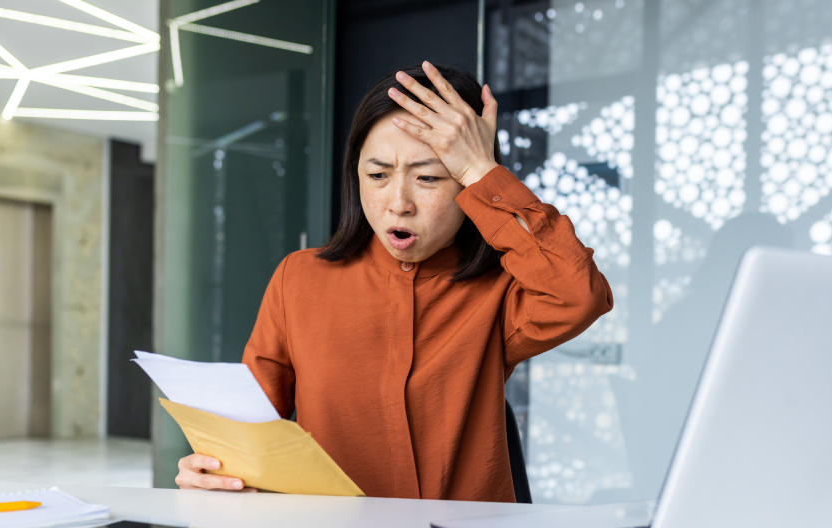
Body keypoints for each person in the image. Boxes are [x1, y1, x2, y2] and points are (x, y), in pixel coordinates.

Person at [176, 60, 613, 501]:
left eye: (428, 178)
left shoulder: (502, 291)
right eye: (378, 175)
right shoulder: (299, 279)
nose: (398, 203)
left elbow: (578, 295)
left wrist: (481, 171)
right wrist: (214, 471)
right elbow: (250, 433)